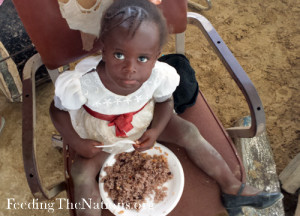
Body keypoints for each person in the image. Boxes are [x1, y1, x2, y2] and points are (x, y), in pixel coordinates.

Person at [50, 0, 283, 215]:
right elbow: (57, 111)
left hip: (144, 119)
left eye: (142, 58)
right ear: (104, 50)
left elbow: (165, 102)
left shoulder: (158, 75)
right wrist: (77, 142)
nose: (130, 68)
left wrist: (157, 130)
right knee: (81, 173)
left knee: (189, 132)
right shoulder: (83, 84)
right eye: (119, 55)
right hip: (101, 135)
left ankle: (231, 188)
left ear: (156, 57)